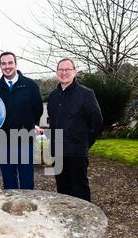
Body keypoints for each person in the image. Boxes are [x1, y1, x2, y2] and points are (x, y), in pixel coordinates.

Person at [47, 58, 103, 202]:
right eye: (61, 69)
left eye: (68, 69)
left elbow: (97, 123)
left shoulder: (86, 94)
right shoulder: (52, 96)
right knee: (62, 192)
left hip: (76, 153)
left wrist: (83, 143)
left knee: (80, 193)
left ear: (75, 72)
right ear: (56, 72)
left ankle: (85, 223)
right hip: (57, 153)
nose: (64, 72)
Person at [0, 52, 44, 189]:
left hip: (25, 141)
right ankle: (11, 210)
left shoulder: (30, 85)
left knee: (27, 181)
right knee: (9, 183)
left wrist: (28, 125)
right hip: (4, 141)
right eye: (3, 63)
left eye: (10, 63)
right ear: (0, 65)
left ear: (15, 64)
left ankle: (27, 210)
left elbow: (38, 109)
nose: (7, 66)